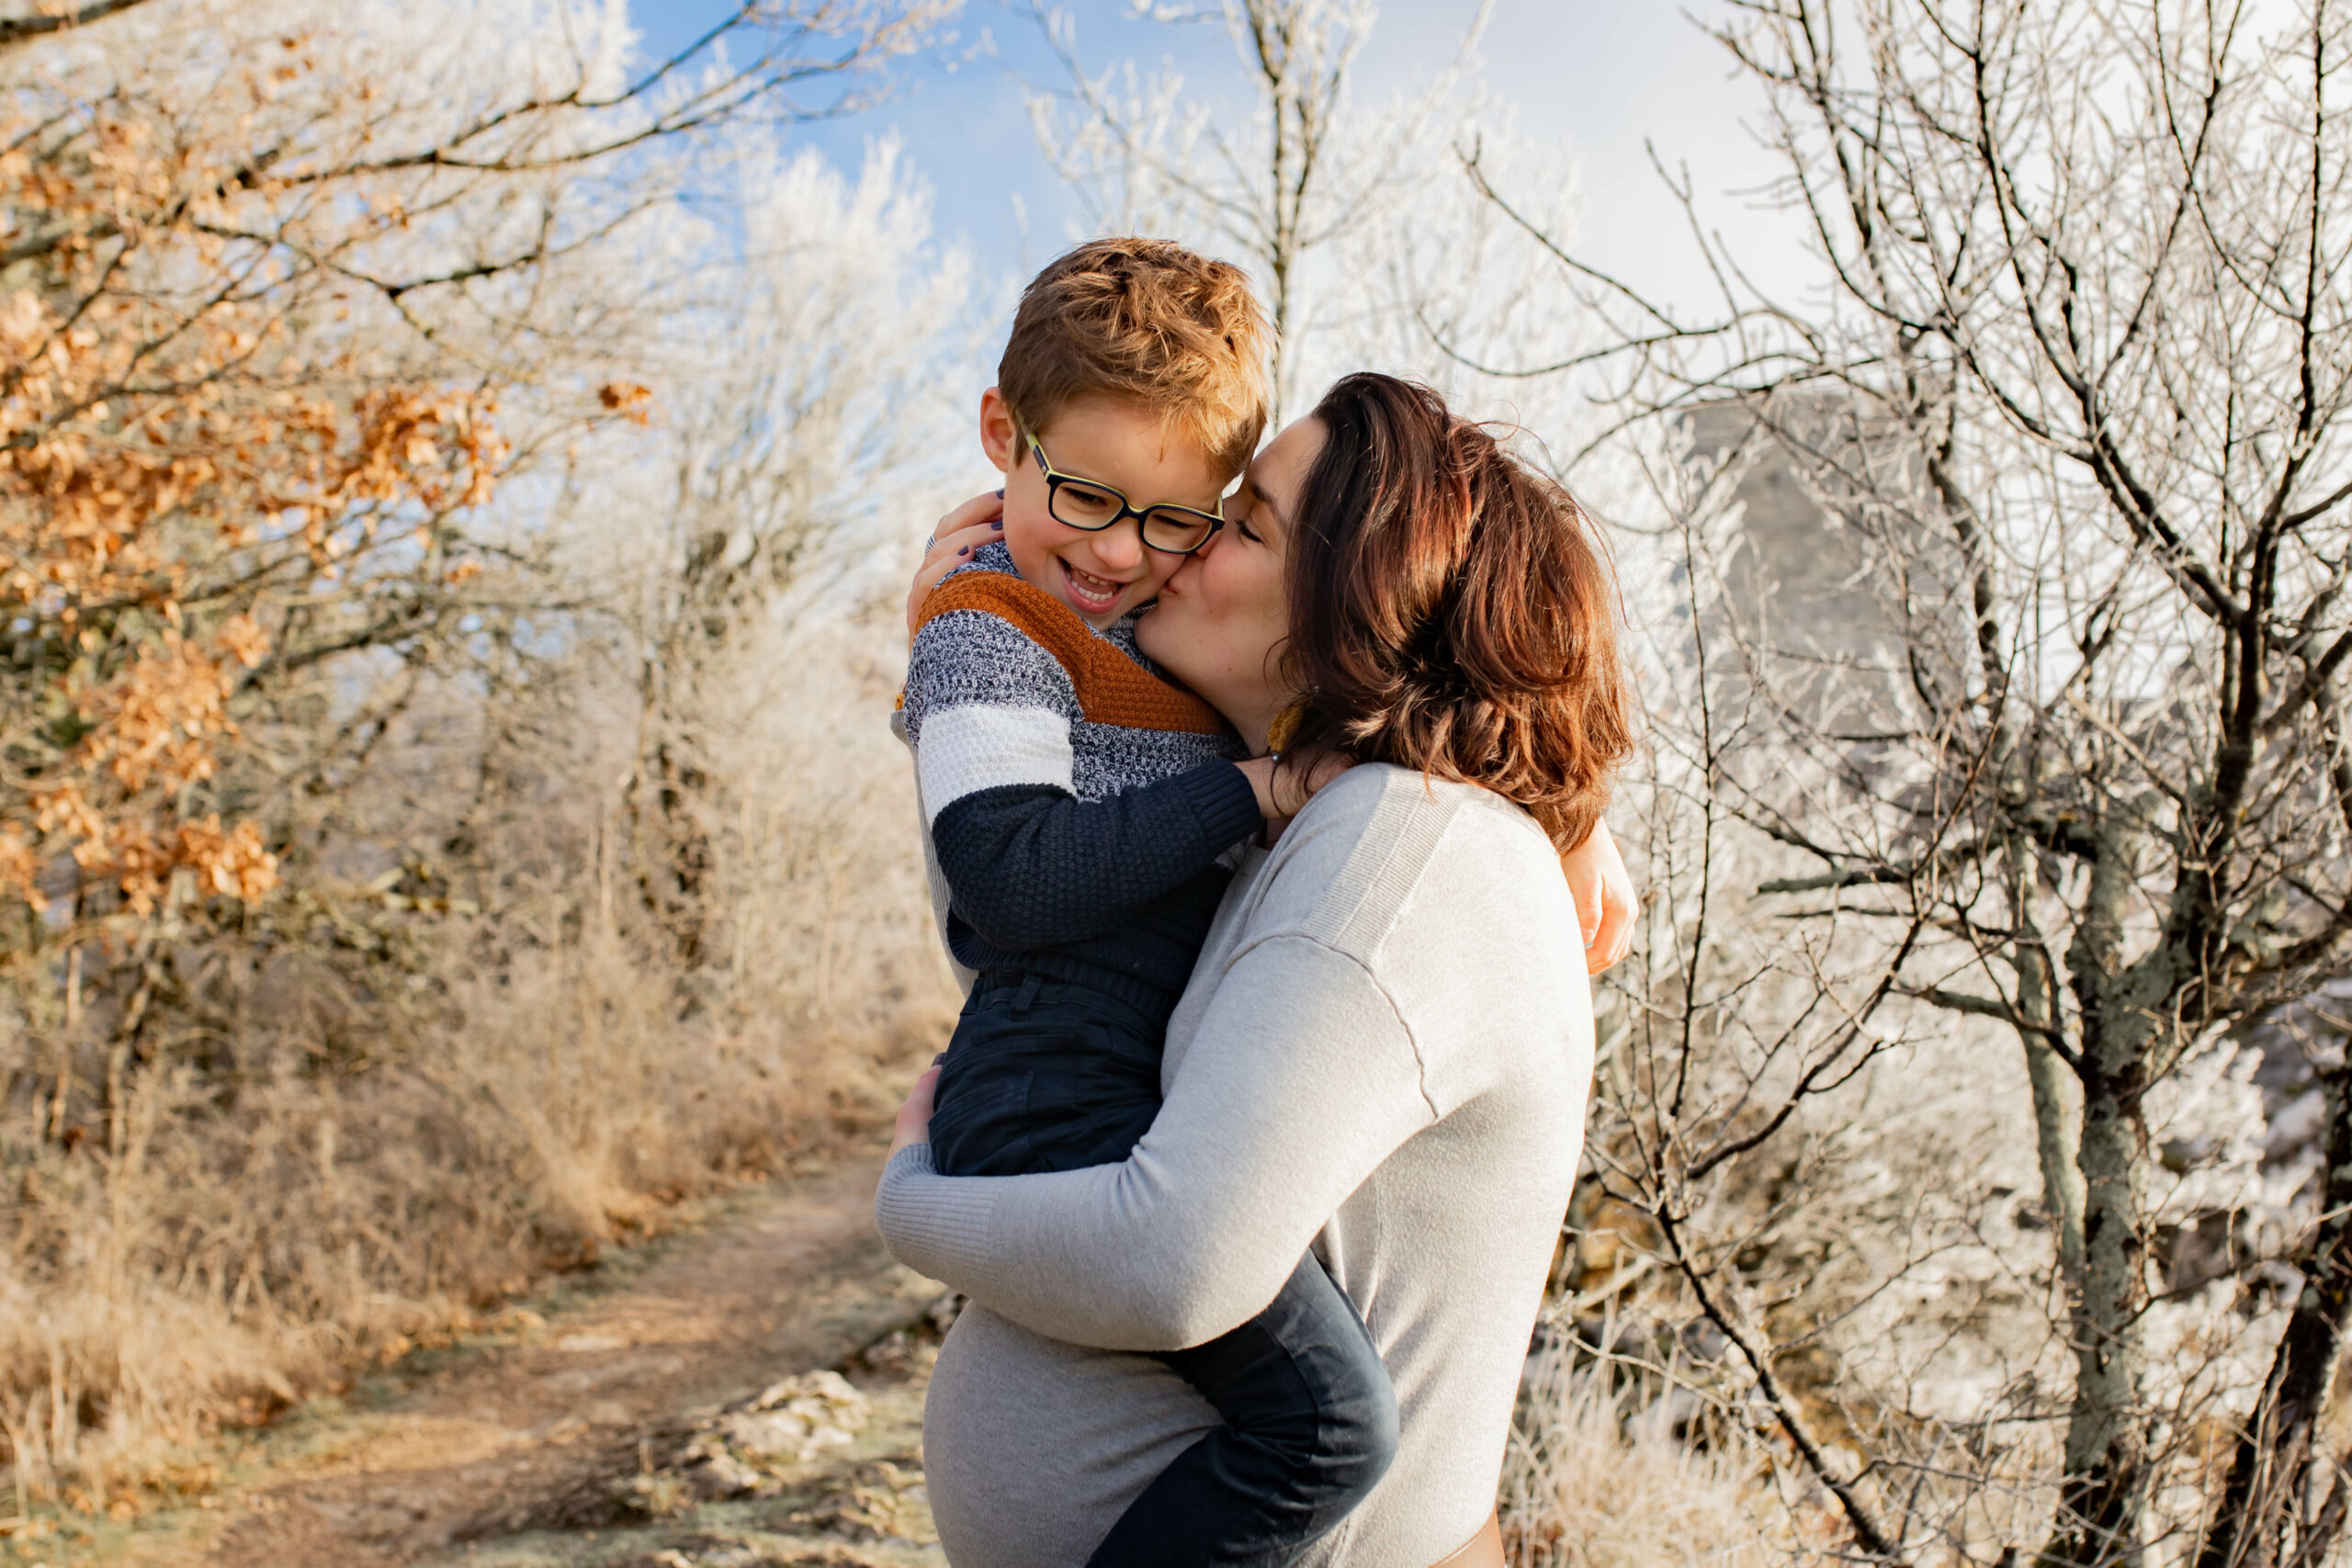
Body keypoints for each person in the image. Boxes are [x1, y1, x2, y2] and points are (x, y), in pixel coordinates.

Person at [878, 371, 1637, 1567]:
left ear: (1355, 609)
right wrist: (974, 652)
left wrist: (914, 1208)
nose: (1169, 548)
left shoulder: (1401, 846)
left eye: (1240, 524)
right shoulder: (1293, 816)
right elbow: (1014, 935)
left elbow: (1176, 1264)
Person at [897, 236, 1399, 1566]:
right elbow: (1012, 881)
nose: (1121, 553)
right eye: (1087, 496)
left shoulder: (1148, 639)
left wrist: (1570, 819)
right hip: (1051, 1094)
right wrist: (1254, 789)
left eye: (1179, 520)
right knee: (1329, 1427)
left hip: (1113, 1084)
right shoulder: (985, 627)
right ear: (1003, 435)